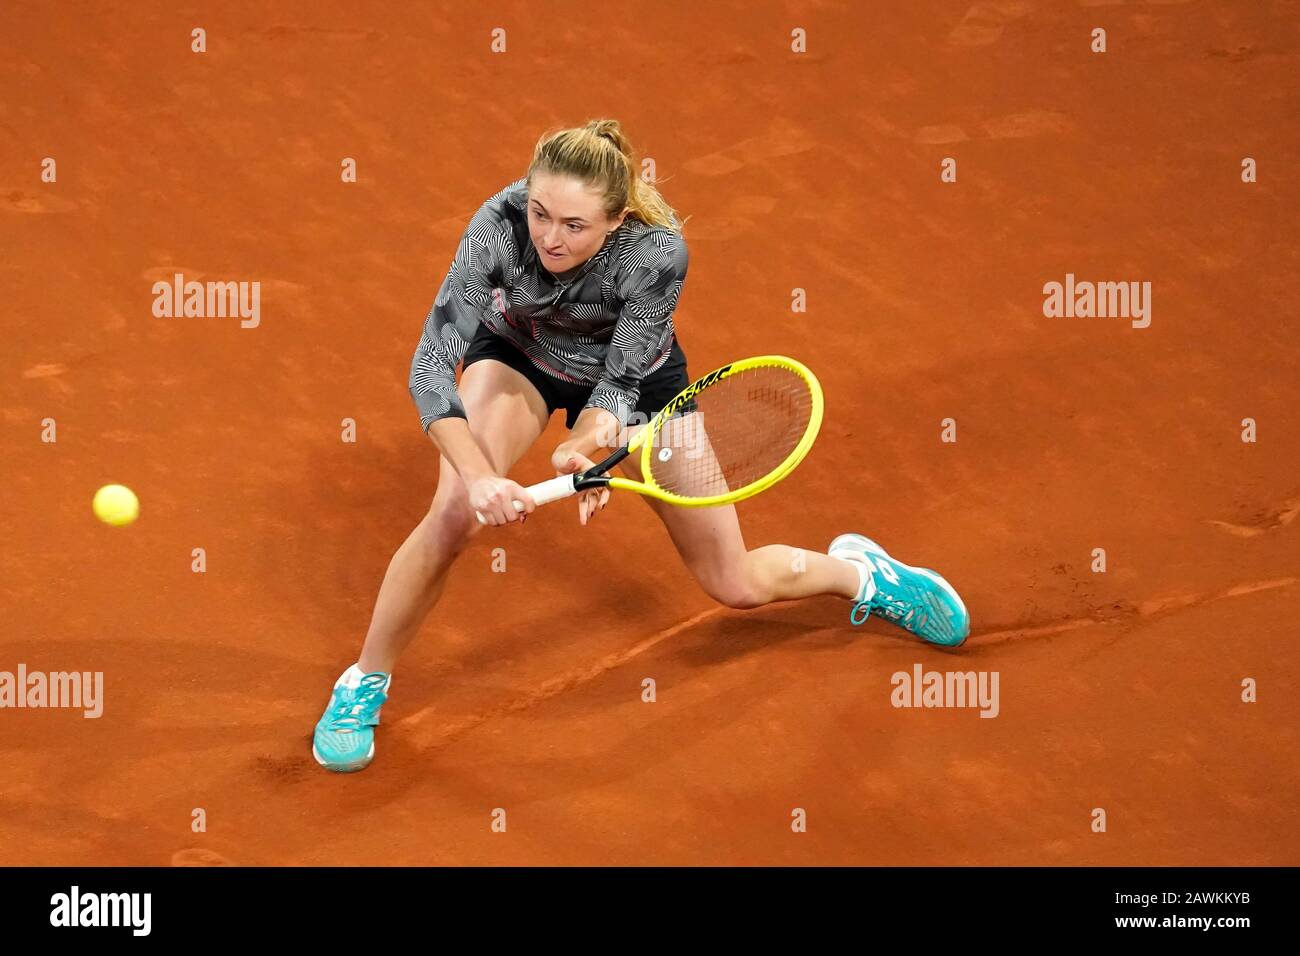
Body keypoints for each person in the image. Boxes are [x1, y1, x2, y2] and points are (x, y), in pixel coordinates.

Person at [312, 119, 970, 772]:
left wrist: (590, 450)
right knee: (454, 513)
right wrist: (479, 477)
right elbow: (431, 370)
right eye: (540, 212)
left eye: (574, 225)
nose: (549, 237)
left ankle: (864, 574)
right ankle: (363, 682)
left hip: (635, 385)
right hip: (519, 355)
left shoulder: (657, 252)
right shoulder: (496, 226)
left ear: (617, 217)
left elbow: (618, 385)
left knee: (733, 582)